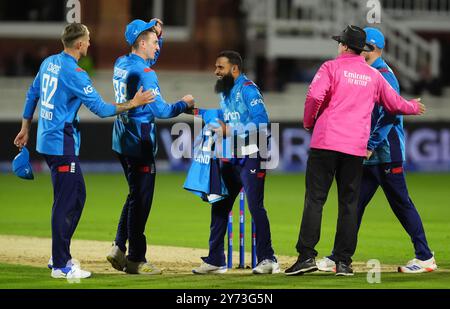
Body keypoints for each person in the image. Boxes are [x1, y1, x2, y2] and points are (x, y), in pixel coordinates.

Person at [13, 23, 155, 279]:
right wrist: (133, 103)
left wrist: (26, 127)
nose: (90, 44)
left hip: (47, 140)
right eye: (88, 40)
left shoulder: (49, 62)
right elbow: (101, 109)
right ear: (79, 44)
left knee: (72, 196)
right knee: (69, 200)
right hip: (61, 142)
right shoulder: (75, 72)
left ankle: (59, 254)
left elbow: (32, 93)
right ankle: (60, 265)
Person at [284, 25, 426, 276]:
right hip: (355, 148)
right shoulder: (373, 76)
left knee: (315, 201)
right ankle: (343, 262)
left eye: (340, 42)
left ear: (345, 46)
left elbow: (315, 96)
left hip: (327, 143)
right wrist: (413, 107)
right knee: (350, 204)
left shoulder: (330, 67)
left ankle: (307, 257)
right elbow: (394, 104)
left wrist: (309, 122)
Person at [105, 19, 195, 275]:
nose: (158, 47)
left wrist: (159, 34)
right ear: (141, 43)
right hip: (139, 142)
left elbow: (148, 60)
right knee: (141, 202)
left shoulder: (121, 63)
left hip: (120, 139)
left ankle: (118, 247)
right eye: (155, 42)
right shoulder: (145, 73)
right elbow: (162, 110)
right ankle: (136, 258)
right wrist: (184, 103)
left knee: (134, 195)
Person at [190, 50, 279, 275]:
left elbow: (262, 122)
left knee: (255, 207)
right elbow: (223, 116)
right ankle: (216, 260)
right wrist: (195, 111)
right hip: (229, 158)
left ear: (234, 69)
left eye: (220, 67)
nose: (216, 71)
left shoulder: (248, 90)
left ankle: (268, 259)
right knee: (219, 206)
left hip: (251, 156)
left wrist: (230, 130)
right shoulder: (226, 92)